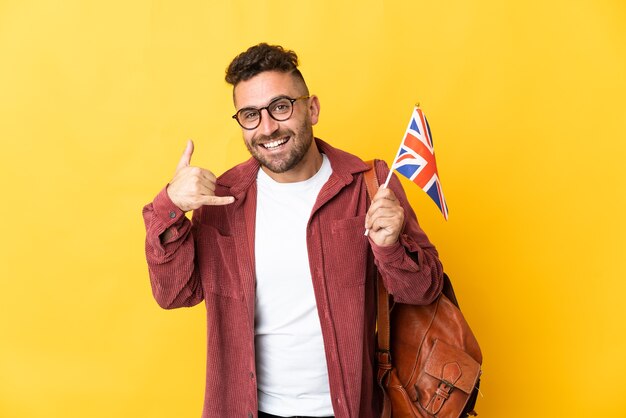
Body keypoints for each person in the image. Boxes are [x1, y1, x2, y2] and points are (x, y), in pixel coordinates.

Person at [142, 43, 443, 418]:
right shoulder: (220, 199)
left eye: (281, 107)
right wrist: (171, 206)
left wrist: (391, 247)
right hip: (248, 410)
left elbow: (424, 289)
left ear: (311, 108)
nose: (267, 128)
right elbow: (174, 294)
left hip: (349, 409)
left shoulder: (370, 185)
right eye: (250, 115)